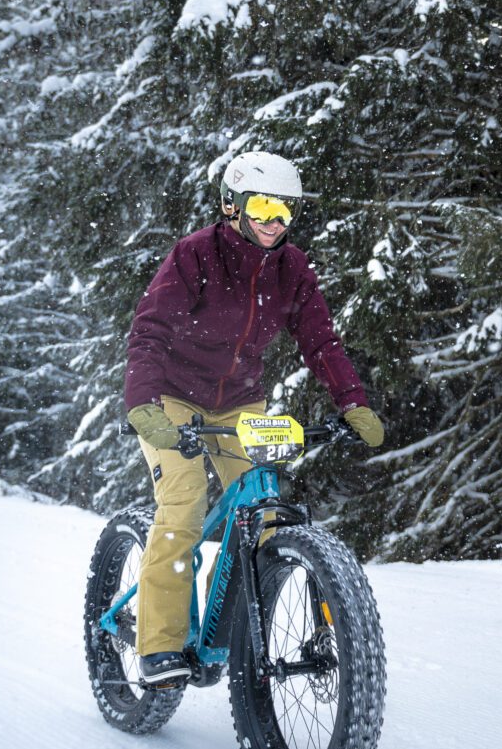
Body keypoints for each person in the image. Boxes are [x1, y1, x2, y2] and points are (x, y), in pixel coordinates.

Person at [122, 150, 383, 687]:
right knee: (184, 506)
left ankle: (223, 633)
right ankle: (159, 646)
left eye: (284, 211)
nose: (273, 222)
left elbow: (319, 341)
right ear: (233, 205)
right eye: (262, 207)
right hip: (172, 397)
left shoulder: (292, 269)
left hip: (240, 401)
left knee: (261, 516)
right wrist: (144, 403)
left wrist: (351, 401)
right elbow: (149, 330)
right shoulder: (195, 255)